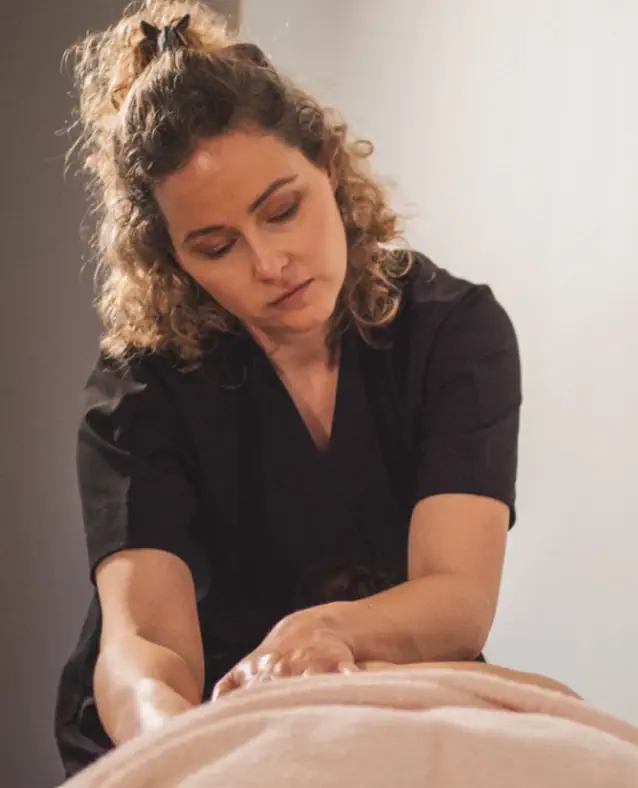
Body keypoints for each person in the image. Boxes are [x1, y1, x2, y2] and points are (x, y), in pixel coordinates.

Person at [55, 0, 522, 777]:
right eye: (216, 246)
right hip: (189, 716)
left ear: (328, 169)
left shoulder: (454, 333)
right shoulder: (140, 392)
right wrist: (183, 750)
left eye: (283, 210)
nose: (269, 263)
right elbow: (148, 648)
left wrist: (325, 633)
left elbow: (458, 597)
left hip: (363, 684)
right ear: (175, 263)